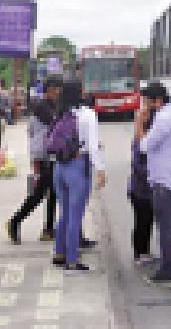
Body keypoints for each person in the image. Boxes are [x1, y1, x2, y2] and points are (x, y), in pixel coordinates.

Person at [135, 82, 171, 287]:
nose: (145, 105)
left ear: (157, 101)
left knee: (167, 228)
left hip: (167, 182)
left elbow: (144, 146)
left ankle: (169, 272)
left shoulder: (164, 119)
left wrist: (140, 125)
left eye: (147, 101)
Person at [49, 80, 107, 272]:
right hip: (77, 166)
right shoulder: (88, 115)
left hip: (59, 167)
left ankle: (59, 253)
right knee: (76, 215)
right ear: (79, 93)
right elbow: (92, 145)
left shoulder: (60, 113)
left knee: (64, 212)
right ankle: (72, 259)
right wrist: (100, 169)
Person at [7, 75, 63, 243]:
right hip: (41, 156)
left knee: (53, 193)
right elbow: (56, 124)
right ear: (49, 90)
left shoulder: (52, 105)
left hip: (50, 155)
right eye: (56, 89)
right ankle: (14, 221)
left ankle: (48, 229)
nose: (59, 92)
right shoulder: (42, 107)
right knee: (38, 194)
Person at [128, 107, 156, 267]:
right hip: (140, 189)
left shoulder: (145, 138)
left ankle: (144, 251)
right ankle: (139, 253)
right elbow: (137, 166)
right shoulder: (139, 141)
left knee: (147, 220)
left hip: (146, 188)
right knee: (142, 221)